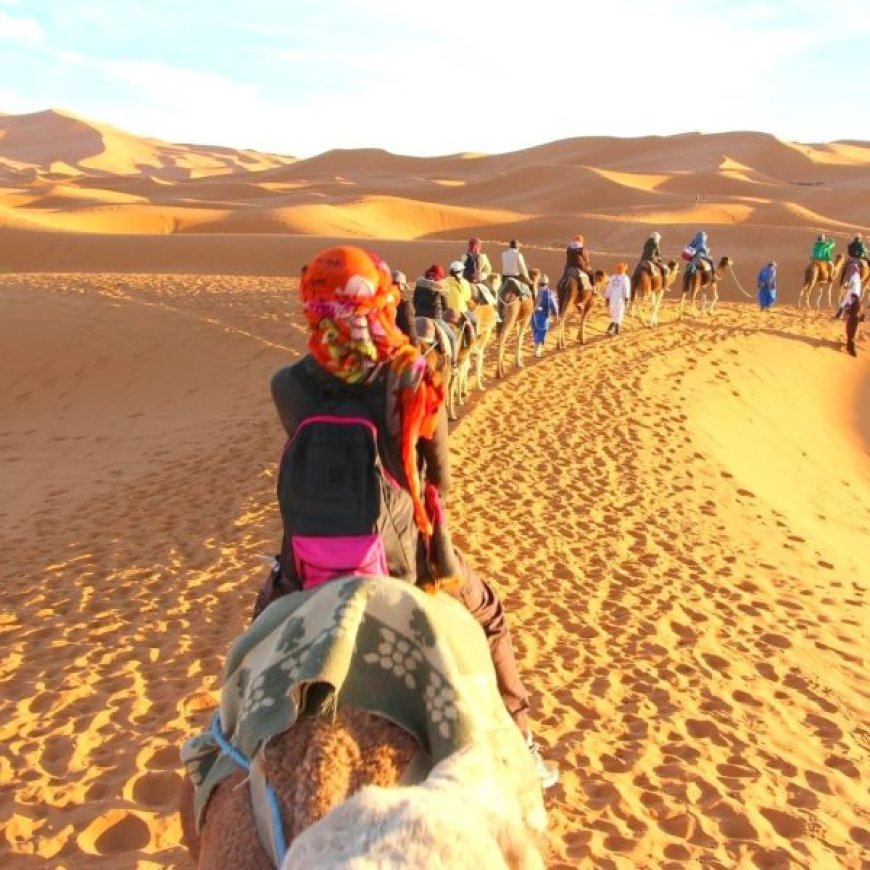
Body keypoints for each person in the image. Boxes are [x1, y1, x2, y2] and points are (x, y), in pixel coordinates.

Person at [268, 245, 558, 787]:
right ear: (380, 300)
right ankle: (523, 746)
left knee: (256, 642)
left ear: (312, 304)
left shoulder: (287, 385)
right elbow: (439, 482)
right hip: (402, 560)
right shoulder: (411, 375)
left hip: (305, 565)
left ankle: (226, 748)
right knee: (491, 618)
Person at [413, 264, 457, 359]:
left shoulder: (419, 286)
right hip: (435, 318)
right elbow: (445, 306)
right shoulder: (440, 288)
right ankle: (454, 364)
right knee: (452, 338)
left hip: (418, 316)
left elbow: (414, 302)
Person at [445, 260, 477, 338]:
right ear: (461, 271)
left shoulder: (444, 280)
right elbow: (467, 298)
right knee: (474, 321)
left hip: (446, 309)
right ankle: (473, 339)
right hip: (461, 309)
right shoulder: (464, 283)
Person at [530, 273, 559, 357]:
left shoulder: (535, 291)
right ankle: (536, 352)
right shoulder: (548, 292)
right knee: (541, 333)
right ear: (547, 283)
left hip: (533, 317)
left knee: (536, 332)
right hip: (543, 317)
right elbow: (553, 304)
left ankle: (536, 350)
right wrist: (556, 314)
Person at [392, 270, 419, 346]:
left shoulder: (377, 301)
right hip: (397, 347)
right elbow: (410, 331)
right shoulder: (404, 305)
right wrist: (417, 348)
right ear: (401, 286)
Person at [604, 263, 631, 335]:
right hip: (620, 299)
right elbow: (626, 289)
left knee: (615, 314)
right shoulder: (625, 278)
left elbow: (608, 288)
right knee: (618, 314)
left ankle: (617, 329)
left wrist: (607, 297)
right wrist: (627, 298)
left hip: (612, 298)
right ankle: (610, 329)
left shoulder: (612, 277)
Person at [843, 288, 865, 357]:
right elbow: (862, 315)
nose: (851, 299)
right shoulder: (859, 304)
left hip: (852, 322)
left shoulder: (856, 304)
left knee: (850, 335)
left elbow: (851, 312)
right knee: (850, 334)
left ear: (854, 298)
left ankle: (852, 351)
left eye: (852, 298)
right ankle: (848, 347)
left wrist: (847, 308)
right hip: (855, 322)